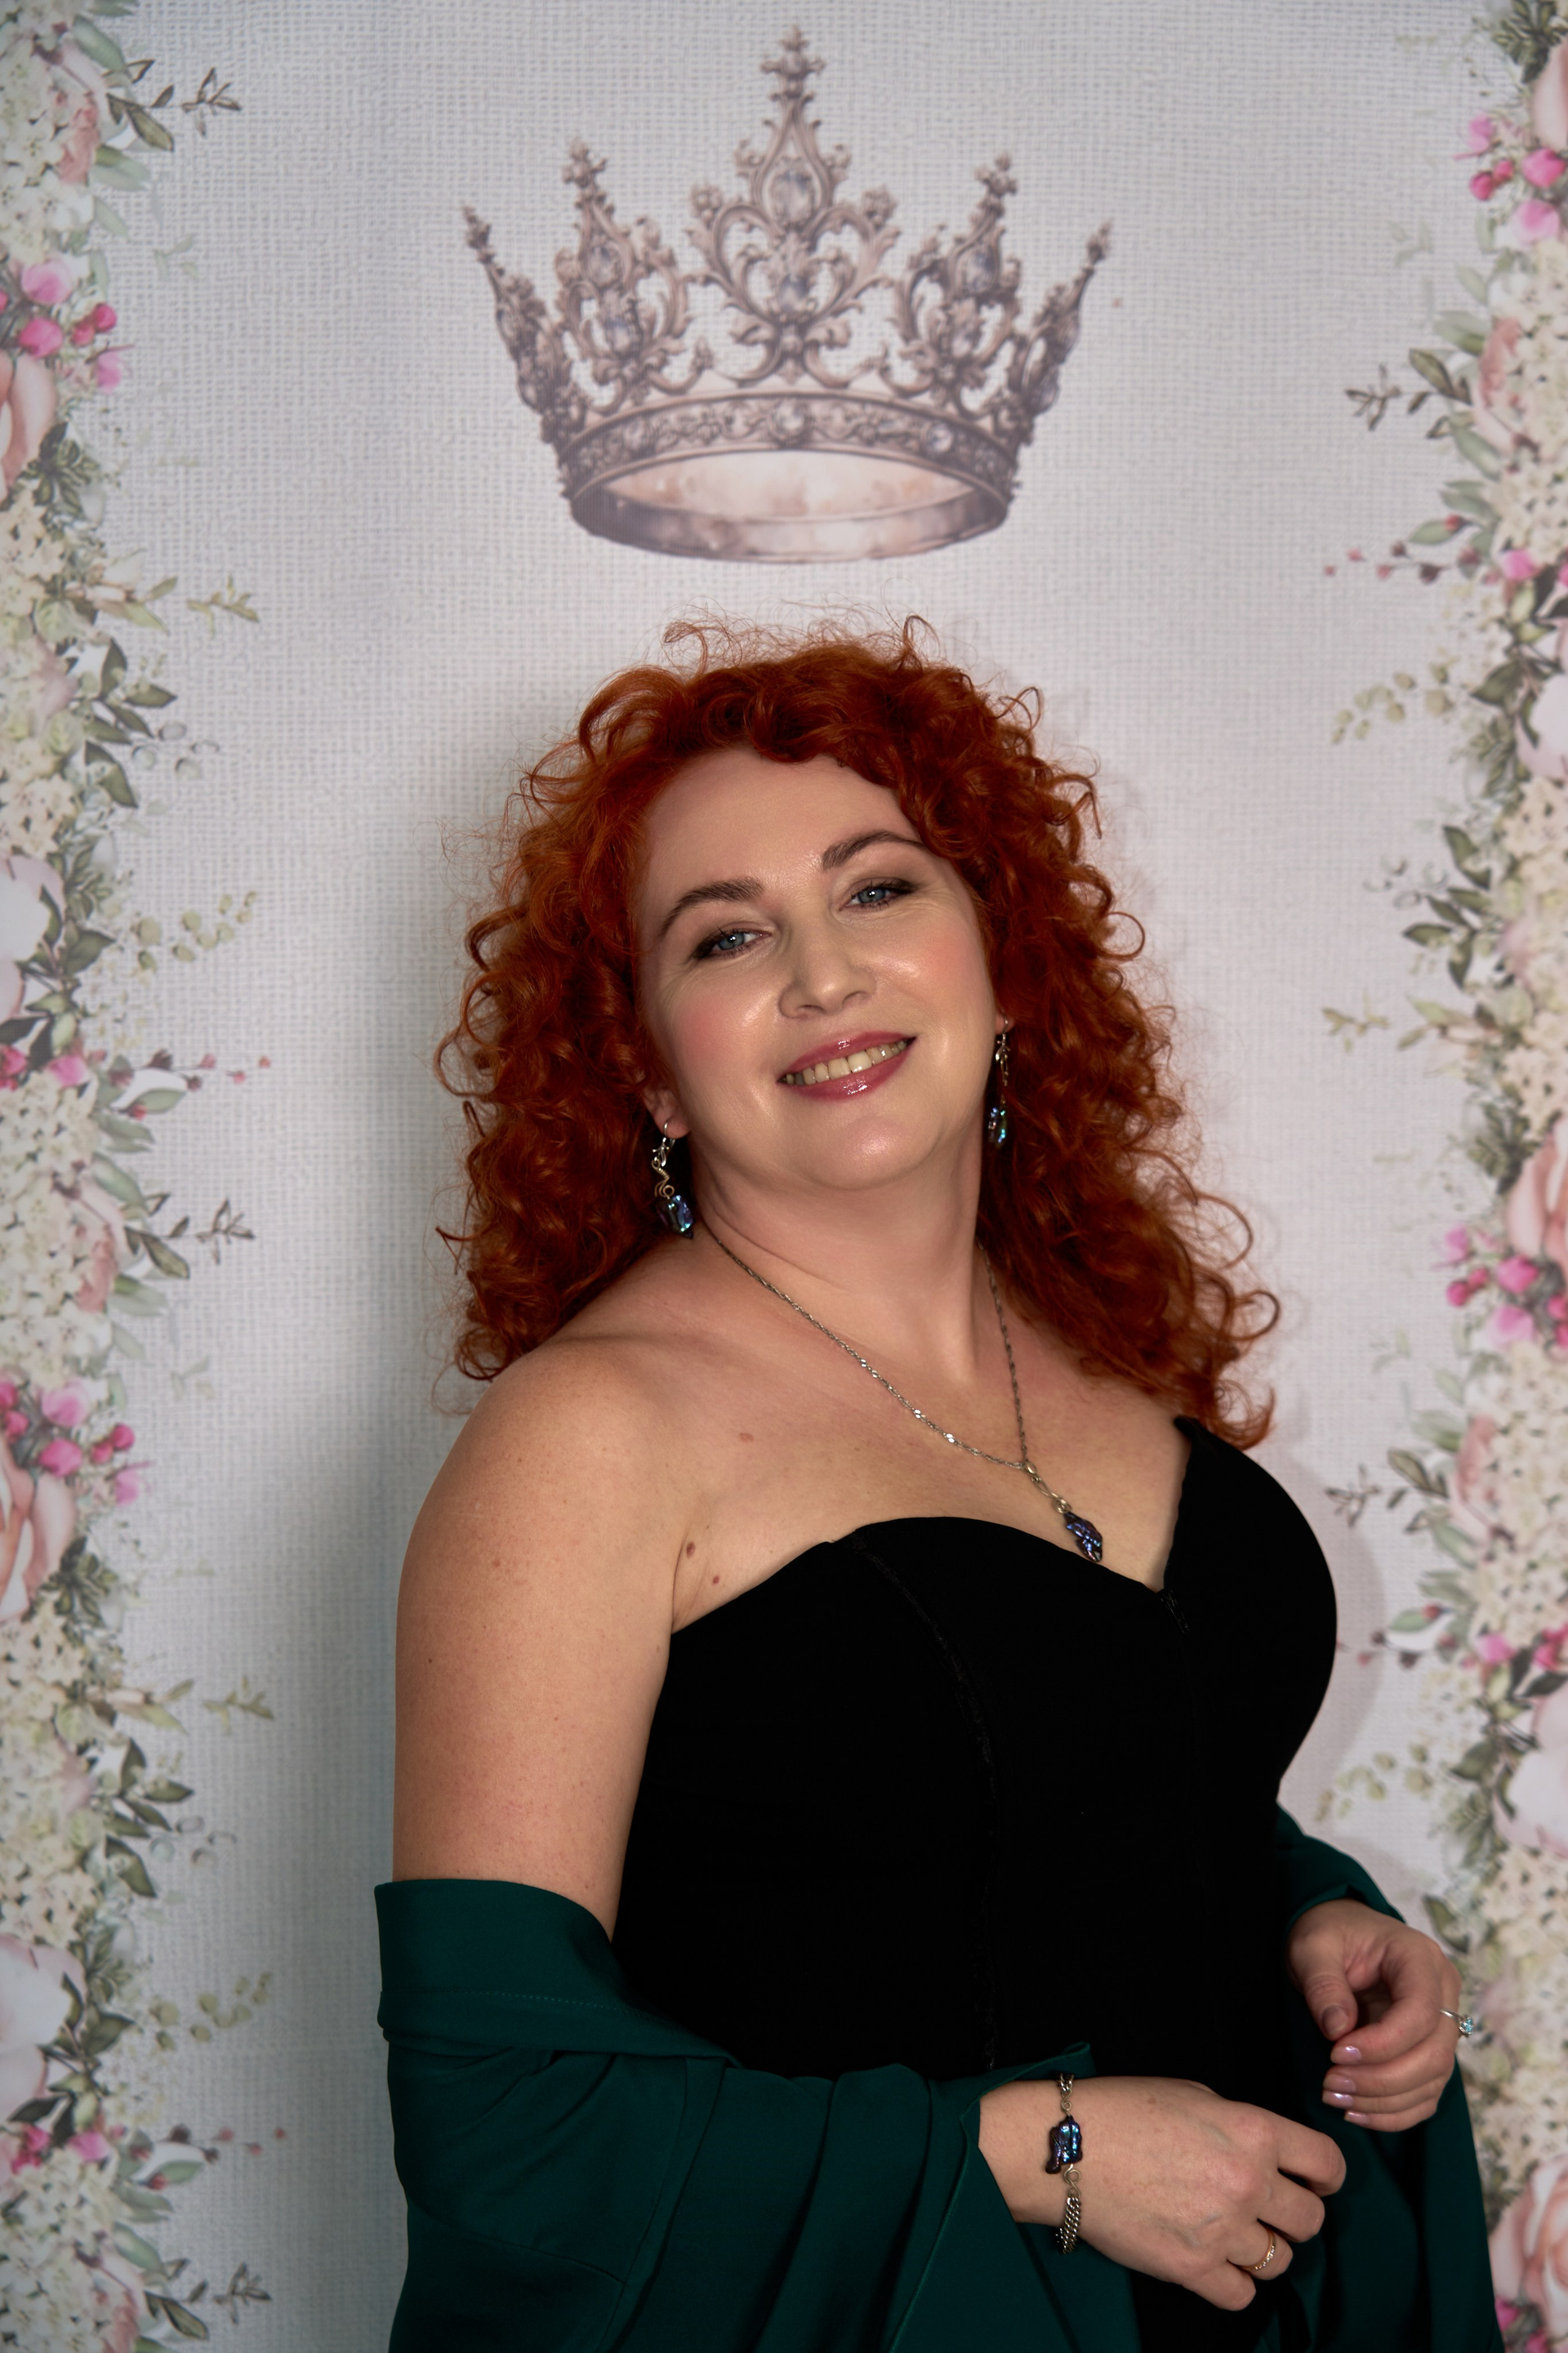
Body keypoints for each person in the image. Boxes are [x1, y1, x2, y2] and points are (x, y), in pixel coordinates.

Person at [377, 619, 1499, 2352]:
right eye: (728, 933)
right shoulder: (584, 1438)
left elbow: (1050, 1800)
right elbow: (508, 2127)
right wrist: (1043, 2157)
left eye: (878, 888)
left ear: (1007, 962)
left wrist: (1311, 1918)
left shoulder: (1101, 1354)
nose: (824, 973)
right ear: (645, 1065)